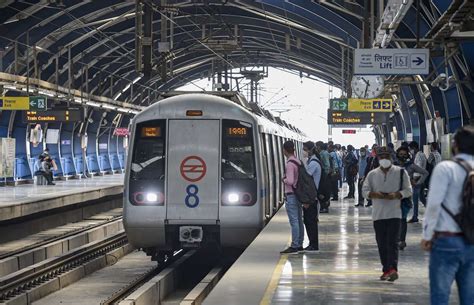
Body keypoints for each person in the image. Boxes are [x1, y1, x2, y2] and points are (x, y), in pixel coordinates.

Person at [421, 125, 474, 305]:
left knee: (440, 296)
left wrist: (427, 235)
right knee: (470, 298)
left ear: (455, 145)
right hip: (472, 241)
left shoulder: (446, 168)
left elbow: (434, 204)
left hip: (447, 240)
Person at [363, 147, 412, 282]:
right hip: (378, 215)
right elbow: (364, 191)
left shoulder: (401, 172)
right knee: (382, 244)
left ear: (391, 157)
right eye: (381, 156)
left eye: (386, 156)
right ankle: (386, 269)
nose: (384, 158)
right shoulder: (372, 174)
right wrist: (374, 194)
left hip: (395, 213)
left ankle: (393, 269)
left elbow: (409, 190)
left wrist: (398, 194)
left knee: (392, 243)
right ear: (378, 158)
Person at [395, 146, 428, 250]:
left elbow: (425, 173)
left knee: (403, 218)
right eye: (400, 154)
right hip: (393, 195)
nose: (402, 156)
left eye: (404, 154)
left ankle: (402, 240)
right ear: (397, 154)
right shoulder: (392, 166)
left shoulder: (411, 166)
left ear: (408, 155)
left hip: (405, 196)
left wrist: (417, 183)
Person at [280, 141, 304, 254]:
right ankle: (299, 243)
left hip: (291, 195)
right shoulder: (298, 161)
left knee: (294, 221)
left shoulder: (290, 164)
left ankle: (294, 245)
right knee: (299, 220)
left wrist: (283, 179)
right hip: (298, 194)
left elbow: (289, 181)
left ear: (285, 150)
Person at [302, 141, 321, 252]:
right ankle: (312, 244)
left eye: (304, 149)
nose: (303, 151)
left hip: (311, 196)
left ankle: (313, 245)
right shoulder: (313, 161)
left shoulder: (313, 163)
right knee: (309, 221)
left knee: (310, 222)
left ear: (309, 150)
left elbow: (307, 178)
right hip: (312, 196)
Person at [408, 141, 428, 223]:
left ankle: (415, 217)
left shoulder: (419, 156)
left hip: (417, 179)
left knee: (415, 199)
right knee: (422, 198)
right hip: (420, 179)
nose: (410, 151)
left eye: (410, 149)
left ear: (414, 148)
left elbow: (418, 168)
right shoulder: (421, 155)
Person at [316, 141, 331, 213]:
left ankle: (324, 207)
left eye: (317, 146)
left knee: (322, 192)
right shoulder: (326, 153)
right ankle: (325, 206)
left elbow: (327, 165)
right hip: (325, 174)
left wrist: (325, 174)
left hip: (324, 174)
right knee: (324, 191)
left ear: (319, 146)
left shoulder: (323, 153)